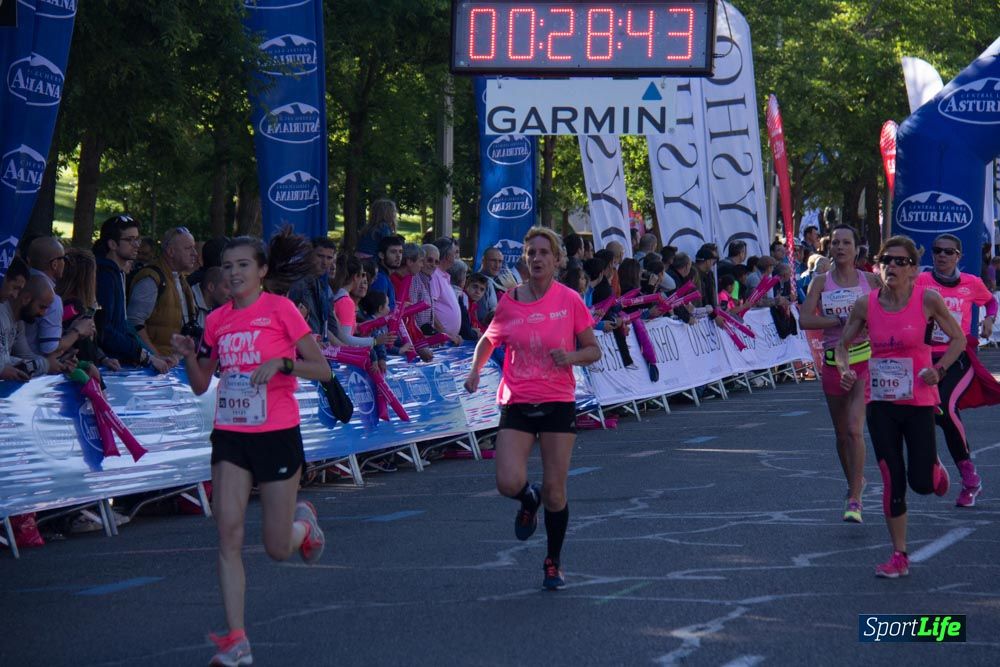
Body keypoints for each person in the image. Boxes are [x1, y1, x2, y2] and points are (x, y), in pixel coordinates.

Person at [170, 236, 331, 666]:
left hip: (277, 432)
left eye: (243, 265)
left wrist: (283, 364)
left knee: (277, 547)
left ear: (261, 271)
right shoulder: (217, 320)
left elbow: (323, 368)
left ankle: (304, 526)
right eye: (227, 266)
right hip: (231, 433)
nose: (234, 273)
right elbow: (202, 383)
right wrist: (189, 356)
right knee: (227, 532)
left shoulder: (282, 309)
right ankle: (236, 639)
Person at [464, 227, 601, 590]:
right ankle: (529, 498)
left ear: (557, 260)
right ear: (525, 260)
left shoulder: (569, 300)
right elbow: (488, 339)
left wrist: (570, 356)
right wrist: (475, 371)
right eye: (531, 253)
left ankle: (553, 561)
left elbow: (593, 349)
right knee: (508, 481)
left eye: (544, 252)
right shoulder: (509, 301)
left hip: (557, 400)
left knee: (557, 492)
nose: (537, 258)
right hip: (518, 399)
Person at [837, 236, 965, 578]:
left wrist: (938, 371)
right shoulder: (866, 305)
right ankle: (899, 555)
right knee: (892, 476)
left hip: (920, 401)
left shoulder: (928, 300)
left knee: (921, 483)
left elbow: (959, 339)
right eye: (885, 260)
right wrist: (846, 369)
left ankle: (935, 469)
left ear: (912, 269)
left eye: (899, 261)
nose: (890, 266)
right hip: (881, 404)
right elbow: (843, 345)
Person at [800, 225, 882, 522]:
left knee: (854, 428)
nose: (840, 247)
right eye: (835, 243)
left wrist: (867, 323)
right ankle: (854, 482)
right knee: (840, 434)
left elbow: (885, 313)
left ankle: (855, 498)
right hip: (835, 361)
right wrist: (834, 320)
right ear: (829, 248)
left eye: (846, 242)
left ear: (857, 248)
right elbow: (805, 320)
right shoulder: (820, 282)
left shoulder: (871, 280)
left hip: (864, 360)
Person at [915, 233, 997, 506]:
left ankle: (970, 478)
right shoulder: (922, 281)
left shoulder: (971, 283)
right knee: (924, 413)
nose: (942, 256)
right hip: (924, 357)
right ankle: (932, 460)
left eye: (949, 252)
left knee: (946, 409)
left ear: (958, 257)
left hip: (957, 357)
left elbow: (990, 301)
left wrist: (989, 320)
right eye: (937, 250)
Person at [93, 216, 171, 372]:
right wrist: (145, 357)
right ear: (112, 244)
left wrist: (150, 355)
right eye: (130, 240)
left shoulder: (118, 273)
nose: (137, 245)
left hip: (118, 363)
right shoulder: (105, 277)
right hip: (107, 367)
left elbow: (123, 325)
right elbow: (105, 331)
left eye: (138, 239)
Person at [127, 227, 199, 356]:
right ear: (171, 251)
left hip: (172, 365)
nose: (195, 253)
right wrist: (155, 357)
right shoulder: (151, 279)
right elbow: (134, 322)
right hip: (154, 369)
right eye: (188, 248)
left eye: (194, 248)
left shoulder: (180, 279)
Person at [25, 236, 94, 357]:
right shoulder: (51, 299)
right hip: (32, 365)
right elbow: (50, 349)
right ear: (55, 264)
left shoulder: (21, 284)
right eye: (64, 259)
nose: (66, 264)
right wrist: (77, 331)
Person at [55, 249, 120, 371]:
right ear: (88, 277)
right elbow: (84, 350)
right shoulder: (73, 307)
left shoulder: (63, 303)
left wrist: (103, 358)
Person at [287, 238, 337, 339]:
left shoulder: (319, 284)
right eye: (320, 256)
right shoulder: (297, 283)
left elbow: (326, 328)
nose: (325, 262)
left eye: (329, 258)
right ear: (309, 255)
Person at [371, 235, 404, 311]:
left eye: (400, 252)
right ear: (381, 255)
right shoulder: (380, 279)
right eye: (393, 252)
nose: (398, 256)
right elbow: (378, 312)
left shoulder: (386, 277)